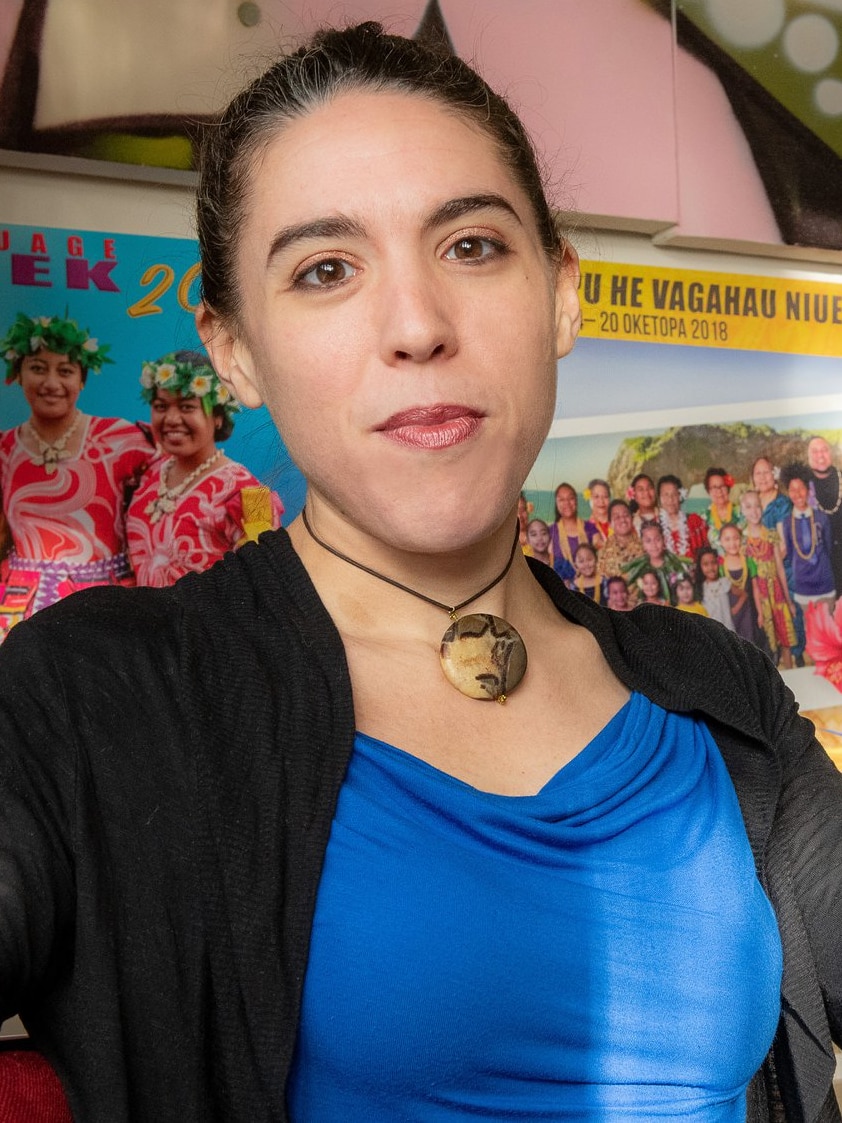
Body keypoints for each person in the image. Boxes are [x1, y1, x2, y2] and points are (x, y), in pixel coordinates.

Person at [0, 22, 840, 1123]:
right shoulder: (97, 697)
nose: (415, 326)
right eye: (325, 269)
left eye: (472, 246)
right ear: (234, 351)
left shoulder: (714, 687)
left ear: (559, 295)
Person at [0, 313, 154, 639]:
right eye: (38, 368)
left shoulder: (118, 437)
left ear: (81, 381)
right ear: (18, 374)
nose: (52, 383)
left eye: (66, 371)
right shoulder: (4, 448)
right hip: (18, 605)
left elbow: (180, 476)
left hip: (100, 600)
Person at [125, 351, 283, 587]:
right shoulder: (149, 473)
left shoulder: (248, 493)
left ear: (217, 416)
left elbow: (267, 579)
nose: (171, 419)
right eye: (160, 406)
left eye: (187, 407)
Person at [741, 489, 796, 669]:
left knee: (786, 639)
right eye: (748, 507)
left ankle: (791, 671)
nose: (754, 511)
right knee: (770, 645)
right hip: (761, 598)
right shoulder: (743, 541)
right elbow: (754, 580)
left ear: (762, 508)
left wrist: (789, 601)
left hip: (778, 594)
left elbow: (780, 569)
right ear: (742, 510)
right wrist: (759, 611)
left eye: (757, 506)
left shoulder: (771, 535)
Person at [779, 461, 836, 611]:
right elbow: (791, 554)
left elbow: (828, 548)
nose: (797, 494)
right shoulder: (787, 523)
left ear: (808, 490)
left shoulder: (821, 518)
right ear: (788, 492)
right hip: (803, 585)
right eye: (792, 489)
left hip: (825, 582)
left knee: (829, 630)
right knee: (810, 631)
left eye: (801, 488)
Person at [622, 521, 690, 606]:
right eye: (648, 541)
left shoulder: (676, 565)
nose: (653, 545)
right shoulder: (638, 570)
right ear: (642, 544)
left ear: (664, 540)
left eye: (657, 539)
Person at [807, 436, 842, 596]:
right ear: (808, 457)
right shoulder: (802, 487)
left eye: (824, 450)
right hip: (821, 567)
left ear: (831, 453)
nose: (820, 455)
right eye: (814, 451)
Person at [548, 481, 601, 582]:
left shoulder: (590, 528)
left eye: (570, 498)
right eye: (561, 500)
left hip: (589, 587)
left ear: (576, 500)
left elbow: (602, 557)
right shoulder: (551, 532)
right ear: (556, 503)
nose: (567, 503)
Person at [596, 498, 643, 605]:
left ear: (631, 518)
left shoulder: (645, 547)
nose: (622, 520)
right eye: (617, 517)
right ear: (610, 523)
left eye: (626, 515)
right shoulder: (603, 552)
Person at [657, 473, 708, 562]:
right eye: (666, 495)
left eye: (674, 494)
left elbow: (707, 552)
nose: (670, 499)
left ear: (680, 496)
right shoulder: (655, 527)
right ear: (660, 498)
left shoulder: (695, 521)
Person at [703, 466, 744, 554]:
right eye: (714, 487)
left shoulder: (741, 512)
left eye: (722, 486)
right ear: (708, 491)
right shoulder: (704, 517)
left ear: (728, 488)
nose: (719, 491)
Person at [694, 545, 735, 631]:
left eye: (713, 563)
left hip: (728, 629)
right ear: (700, 567)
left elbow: (743, 595)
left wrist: (734, 610)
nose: (711, 568)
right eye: (705, 564)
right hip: (711, 631)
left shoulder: (724, 582)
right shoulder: (700, 588)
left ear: (718, 563)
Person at [584, 478, 611, 544]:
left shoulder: (619, 522)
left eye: (605, 496)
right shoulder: (585, 528)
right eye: (596, 497)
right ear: (590, 499)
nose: (601, 501)